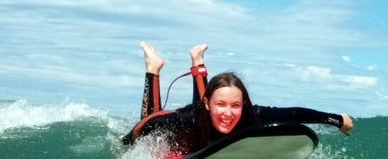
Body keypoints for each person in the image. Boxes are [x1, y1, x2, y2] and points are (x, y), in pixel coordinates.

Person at [123, 42, 353, 156]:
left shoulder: (253, 114)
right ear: (208, 104)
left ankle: (197, 61)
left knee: (210, 112)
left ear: (244, 104)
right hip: (187, 133)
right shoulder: (189, 119)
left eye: (235, 105)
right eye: (221, 104)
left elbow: (294, 114)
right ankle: (153, 67)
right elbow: (149, 123)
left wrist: (337, 120)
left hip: (204, 116)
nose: (229, 112)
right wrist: (126, 143)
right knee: (177, 120)